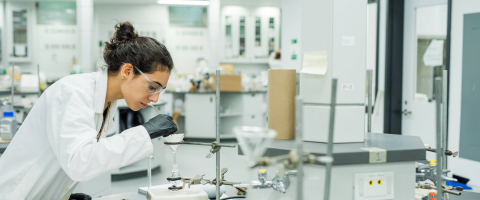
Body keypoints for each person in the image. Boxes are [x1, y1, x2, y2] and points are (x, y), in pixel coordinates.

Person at [0, 21, 177, 200]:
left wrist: (63, 194)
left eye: (160, 90)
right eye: (153, 87)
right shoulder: (74, 92)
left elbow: (73, 156)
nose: (155, 98)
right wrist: (145, 133)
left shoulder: (107, 102)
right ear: (127, 71)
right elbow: (80, 162)